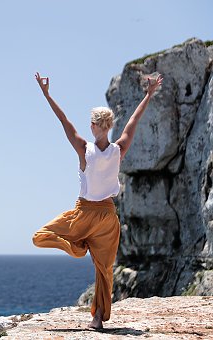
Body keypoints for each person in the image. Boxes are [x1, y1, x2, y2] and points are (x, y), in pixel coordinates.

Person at [31, 71, 163, 329]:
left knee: (40, 236)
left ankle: (78, 249)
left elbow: (63, 120)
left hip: (84, 215)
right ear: (110, 126)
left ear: (93, 126)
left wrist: (47, 94)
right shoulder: (119, 149)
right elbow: (134, 121)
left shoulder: (83, 148)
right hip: (107, 218)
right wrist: (148, 95)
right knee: (104, 271)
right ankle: (97, 319)